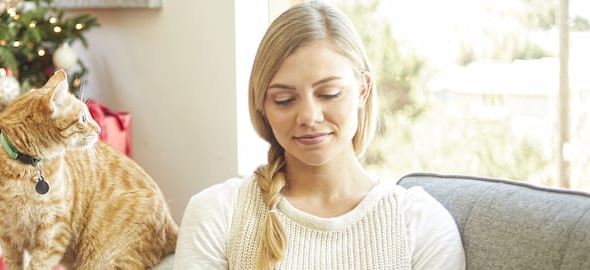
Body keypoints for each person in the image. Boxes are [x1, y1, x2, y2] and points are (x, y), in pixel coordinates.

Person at [172, 1, 465, 269]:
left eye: (329, 93)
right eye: (284, 100)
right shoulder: (216, 213)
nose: (309, 117)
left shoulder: (421, 224)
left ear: (363, 89)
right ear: (262, 105)